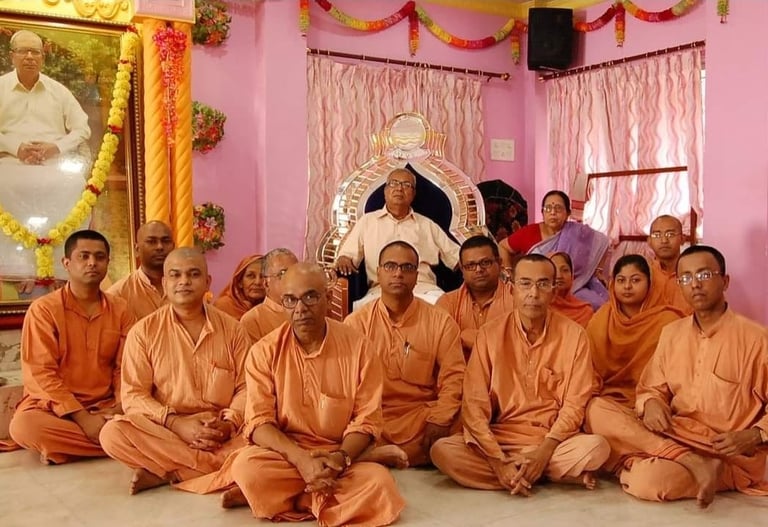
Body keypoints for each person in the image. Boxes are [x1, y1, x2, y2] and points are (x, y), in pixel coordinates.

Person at [218, 263, 405, 525]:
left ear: (328, 298)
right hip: (287, 454)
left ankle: (289, 498)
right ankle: (317, 497)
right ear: (282, 303)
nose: (300, 308)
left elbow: (367, 420)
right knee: (247, 468)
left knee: (379, 485)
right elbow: (259, 423)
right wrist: (302, 461)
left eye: (310, 297)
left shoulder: (359, 348)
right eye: (290, 300)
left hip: (339, 453)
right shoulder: (264, 351)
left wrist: (339, 459)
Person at [587, 246, 768, 507]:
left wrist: (754, 435)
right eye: (685, 278)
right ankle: (690, 462)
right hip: (675, 433)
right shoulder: (672, 333)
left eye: (704, 275)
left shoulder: (757, 340)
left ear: (725, 281)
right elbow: (651, 388)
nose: (694, 284)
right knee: (597, 408)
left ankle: (669, 462)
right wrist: (651, 403)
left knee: (647, 481)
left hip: (723, 449)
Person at [430, 254, 610, 495]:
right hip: (500, 437)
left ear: (554, 290)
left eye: (543, 284)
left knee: (597, 448)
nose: (533, 293)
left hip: (552, 439)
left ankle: (518, 474)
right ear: (512, 288)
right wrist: (497, 460)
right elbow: (474, 404)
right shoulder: (490, 334)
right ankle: (540, 474)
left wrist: (543, 452)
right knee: (443, 451)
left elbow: (575, 404)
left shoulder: (575, 335)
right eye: (525, 283)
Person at [99, 247, 250, 494]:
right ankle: (218, 470)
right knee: (113, 434)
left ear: (207, 282)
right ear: (164, 283)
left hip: (222, 432)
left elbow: (246, 388)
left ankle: (171, 472)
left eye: (193, 274)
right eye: (175, 275)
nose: (184, 281)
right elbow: (134, 395)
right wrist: (176, 423)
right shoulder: (143, 332)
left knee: (263, 437)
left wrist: (228, 424)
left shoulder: (234, 330)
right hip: (168, 429)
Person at [8, 230, 133, 463]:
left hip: (106, 405)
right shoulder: (44, 310)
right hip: (54, 408)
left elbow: (125, 368)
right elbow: (41, 374)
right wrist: (83, 418)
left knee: (145, 414)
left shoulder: (121, 309)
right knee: (24, 427)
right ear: (66, 263)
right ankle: (119, 443)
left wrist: (118, 407)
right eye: (84, 256)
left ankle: (65, 450)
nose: (92, 263)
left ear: (108, 262)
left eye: (99, 257)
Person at [345, 241, 465, 467]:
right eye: (390, 266)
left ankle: (371, 455)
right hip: (374, 416)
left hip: (421, 416)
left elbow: (454, 377)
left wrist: (439, 418)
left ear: (417, 275)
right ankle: (404, 455)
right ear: (378, 272)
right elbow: (345, 384)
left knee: (465, 413)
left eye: (407, 267)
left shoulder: (440, 321)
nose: (398, 274)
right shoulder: (356, 323)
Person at [584, 254, 685, 472]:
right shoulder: (601, 319)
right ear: (612, 284)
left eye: (636, 280)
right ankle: (665, 452)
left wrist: (652, 402)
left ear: (650, 283)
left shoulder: (669, 321)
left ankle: (632, 456)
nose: (627, 286)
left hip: (656, 406)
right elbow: (588, 371)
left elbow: (679, 377)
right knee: (593, 410)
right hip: (611, 405)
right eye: (621, 280)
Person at [335, 167, 460, 308]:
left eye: (406, 185)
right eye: (394, 183)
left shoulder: (427, 225)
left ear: (413, 194)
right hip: (381, 291)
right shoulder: (367, 222)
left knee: (446, 307)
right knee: (364, 313)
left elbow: (457, 257)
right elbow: (347, 256)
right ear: (385, 191)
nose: (399, 188)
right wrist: (344, 259)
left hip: (424, 290)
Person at [499, 190, 609, 310]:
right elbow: (503, 246)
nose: (552, 212)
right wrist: (508, 272)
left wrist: (598, 270)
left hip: (573, 288)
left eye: (558, 208)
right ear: (542, 212)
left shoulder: (578, 234)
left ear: (568, 213)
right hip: (537, 288)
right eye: (548, 208)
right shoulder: (530, 232)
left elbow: (602, 242)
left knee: (597, 304)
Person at [0, 30, 90, 164]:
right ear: (12, 56)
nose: (29, 57)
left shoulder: (59, 91)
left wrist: (57, 147)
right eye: (23, 51)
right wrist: (15, 148)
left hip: (53, 163)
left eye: (35, 52)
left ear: (42, 57)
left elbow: (82, 128)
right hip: (8, 162)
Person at [436, 235, 514, 360]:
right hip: (460, 371)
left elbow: (519, 347)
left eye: (485, 263)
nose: (478, 269)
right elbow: (441, 347)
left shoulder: (517, 298)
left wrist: (466, 336)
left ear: (499, 263)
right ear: (462, 269)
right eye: (470, 265)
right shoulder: (448, 302)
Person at [107, 221, 175, 320]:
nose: (160, 247)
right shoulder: (118, 294)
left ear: (173, 247)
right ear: (137, 249)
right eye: (151, 241)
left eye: (165, 241)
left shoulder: (188, 286)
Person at [240, 248, 298, 342]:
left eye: (296, 273)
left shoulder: (307, 310)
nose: (292, 279)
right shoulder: (253, 319)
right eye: (283, 274)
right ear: (266, 283)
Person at [646, 215, 691, 314]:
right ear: (649, 241)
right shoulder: (643, 273)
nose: (664, 241)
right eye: (657, 235)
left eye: (670, 234)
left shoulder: (693, 273)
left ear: (682, 239)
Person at [213, 254, 265, 320]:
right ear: (240, 282)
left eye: (263, 276)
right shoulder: (223, 306)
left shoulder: (274, 308)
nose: (257, 282)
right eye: (250, 276)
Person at [549, 252, 593, 327]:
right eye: (554, 270)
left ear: (572, 274)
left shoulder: (585, 311)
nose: (559, 276)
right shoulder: (540, 309)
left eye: (565, 270)